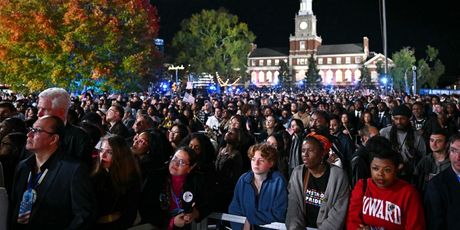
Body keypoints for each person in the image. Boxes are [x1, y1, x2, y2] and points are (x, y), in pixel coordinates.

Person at [9, 115, 95, 229]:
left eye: (37, 131)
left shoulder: (73, 170)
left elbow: (83, 216)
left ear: (53, 139)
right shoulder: (23, 166)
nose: (29, 134)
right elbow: (14, 203)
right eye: (30, 129)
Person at [347, 148, 425, 230]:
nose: (380, 174)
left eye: (387, 170)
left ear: (396, 170)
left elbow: (416, 226)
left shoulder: (409, 193)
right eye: (375, 168)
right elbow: (352, 220)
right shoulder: (362, 186)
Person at [286, 133, 350, 229]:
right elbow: (293, 208)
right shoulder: (297, 173)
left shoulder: (338, 176)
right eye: (303, 150)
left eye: (310, 150)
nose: (305, 154)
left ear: (322, 153)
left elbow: (337, 215)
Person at [139, 147, 210, 229]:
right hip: (158, 226)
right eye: (175, 158)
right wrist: (171, 222)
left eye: (181, 162)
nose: (175, 164)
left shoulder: (196, 180)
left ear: (190, 168)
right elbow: (145, 208)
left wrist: (196, 213)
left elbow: (209, 203)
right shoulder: (155, 177)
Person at [229, 143, 288, 229]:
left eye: (261, 160)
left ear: (271, 163)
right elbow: (234, 209)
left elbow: (279, 213)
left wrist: (250, 218)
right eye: (253, 159)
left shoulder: (278, 181)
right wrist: (241, 226)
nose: (256, 163)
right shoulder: (243, 180)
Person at [91, 135, 141, 229]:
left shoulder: (131, 178)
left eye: (109, 152)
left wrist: (108, 219)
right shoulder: (93, 171)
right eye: (101, 150)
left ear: (120, 154)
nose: (103, 155)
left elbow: (129, 214)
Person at [37, 88, 92, 166]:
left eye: (45, 109)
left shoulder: (80, 138)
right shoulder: (32, 133)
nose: (39, 114)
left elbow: (81, 172)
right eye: (38, 108)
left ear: (61, 112)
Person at [424, 133, 460, 230]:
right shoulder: (436, 185)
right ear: (448, 152)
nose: (458, 157)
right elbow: (435, 223)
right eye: (453, 151)